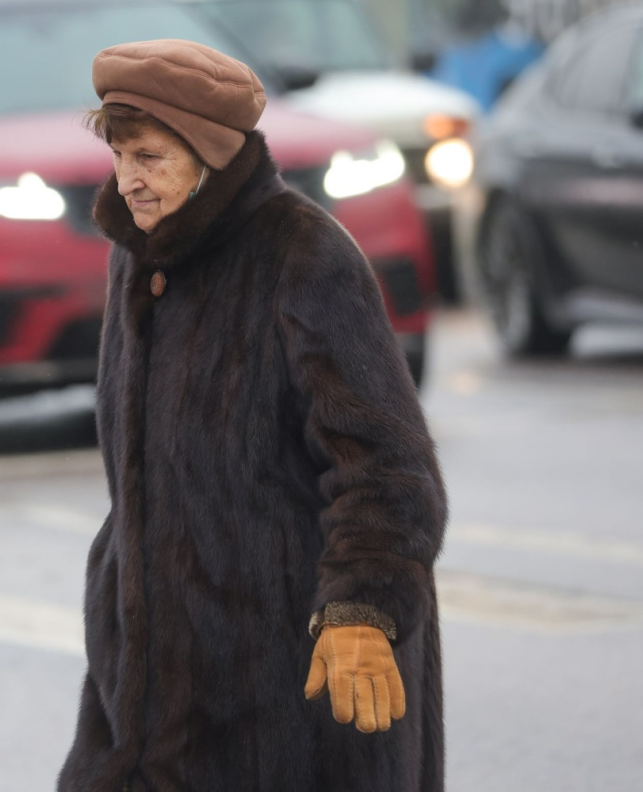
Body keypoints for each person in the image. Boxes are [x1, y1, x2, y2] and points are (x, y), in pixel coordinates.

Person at [57, 39, 448, 792]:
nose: (128, 180)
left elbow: (389, 469)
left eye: (149, 157)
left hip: (283, 695)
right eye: (120, 156)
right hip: (144, 691)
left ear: (209, 152)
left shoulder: (303, 256)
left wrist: (361, 610)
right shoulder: (139, 255)